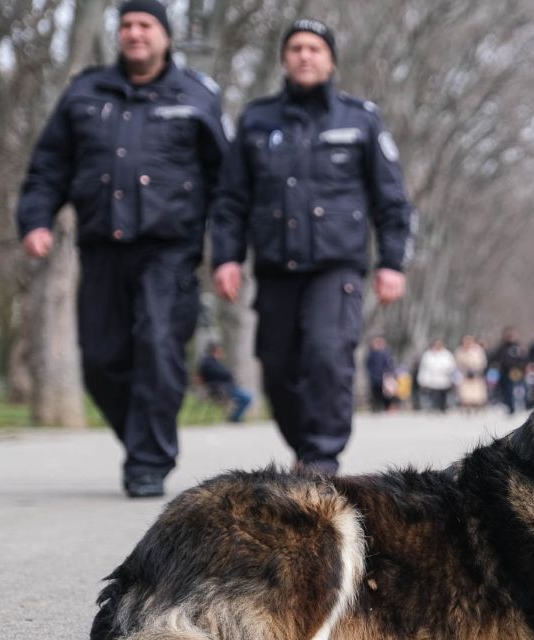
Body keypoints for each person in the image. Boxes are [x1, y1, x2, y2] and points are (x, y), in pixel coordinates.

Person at [15, 1, 227, 498]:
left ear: (166, 36)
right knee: (102, 360)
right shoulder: (84, 93)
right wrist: (36, 220)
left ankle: (148, 463)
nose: (135, 33)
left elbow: (228, 181)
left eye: (146, 25)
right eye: (126, 25)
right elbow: (49, 164)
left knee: (158, 347)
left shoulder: (197, 96)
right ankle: (141, 436)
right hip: (101, 246)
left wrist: (230, 251)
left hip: (168, 249)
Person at [209, 19, 414, 474]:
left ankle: (322, 458)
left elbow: (392, 199)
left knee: (327, 354)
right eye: (296, 48)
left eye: (315, 49)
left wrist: (391, 263)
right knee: (277, 366)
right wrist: (225, 256)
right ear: (284, 59)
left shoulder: (360, 119)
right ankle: (304, 446)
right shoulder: (257, 119)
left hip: (335, 267)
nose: (305, 55)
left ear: (331, 60)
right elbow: (230, 199)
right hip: (276, 266)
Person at [198, 343, 254, 423]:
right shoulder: (209, 363)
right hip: (221, 389)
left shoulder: (211, 362)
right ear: (215, 351)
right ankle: (234, 418)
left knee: (247, 396)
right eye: (220, 351)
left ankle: (235, 417)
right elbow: (223, 374)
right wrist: (230, 375)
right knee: (248, 397)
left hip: (224, 387)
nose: (221, 353)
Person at [489, 327, 528, 415]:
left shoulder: (519, 347)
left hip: (517, 372)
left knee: (517, 389)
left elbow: (524, 358)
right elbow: (494, 358)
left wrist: (522, 367)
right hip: (505, 372)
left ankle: (516, 405)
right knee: (506, 390)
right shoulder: (501, 347)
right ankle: (509, 405)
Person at [416, 339, 457, 412]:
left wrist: (446, 371)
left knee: (443, 395)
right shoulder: (427, 355)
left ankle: (443, 408)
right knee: (434, 395)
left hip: (444, 379)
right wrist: (423, 380)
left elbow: (452, 366)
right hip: (432, 380)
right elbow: (424, 368)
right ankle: (434, 408)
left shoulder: (447, 355)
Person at [454, 335, 488, 412]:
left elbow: (482, 362)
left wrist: (476, 369)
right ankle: (466, 408)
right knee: (465, 394)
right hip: (465, 375)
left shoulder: (478, 350)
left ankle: (477, 407)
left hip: (476, 375)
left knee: (477, 393)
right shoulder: (460, 351)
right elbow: (457, 363)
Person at [364, 336, 396, 413]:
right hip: (374, 377)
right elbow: (368, 365)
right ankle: (376, 407)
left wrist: (389, 373)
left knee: (386, 393)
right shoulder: (371, 354)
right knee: (375, 392)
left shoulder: (385, 353)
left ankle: (386, 407)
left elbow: (389, 364)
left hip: (384, 376)